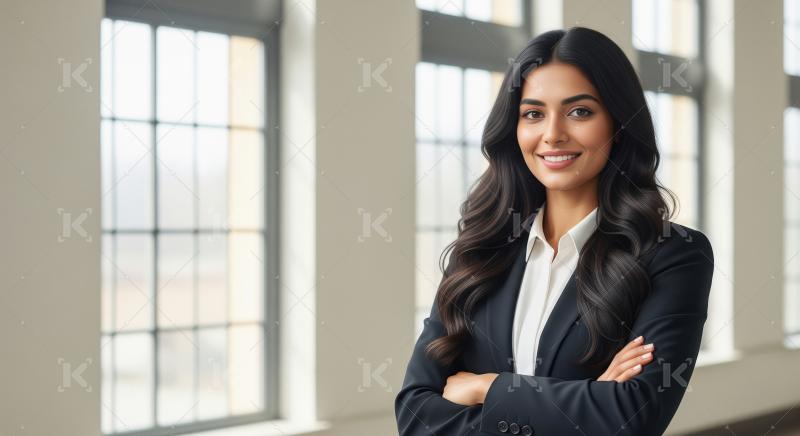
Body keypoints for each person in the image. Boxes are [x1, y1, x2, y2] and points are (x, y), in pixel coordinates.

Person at [395, 26, 715, 436]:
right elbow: (415, 415)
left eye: (579, 111)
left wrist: (486, 387)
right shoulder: (480, 250)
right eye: (533, 113)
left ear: (617, 123)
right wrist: (584, 399)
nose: (552, 135)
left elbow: (634, 417)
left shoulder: (673, 255)